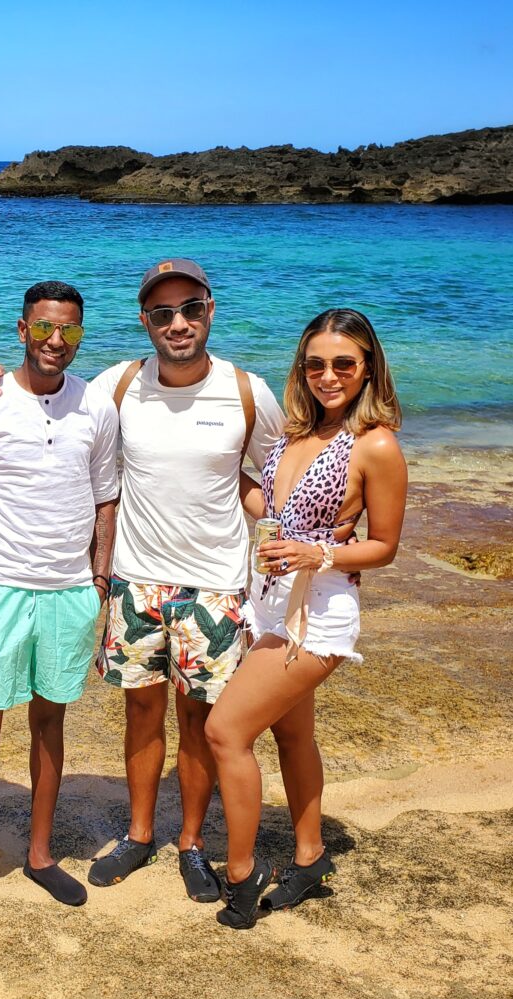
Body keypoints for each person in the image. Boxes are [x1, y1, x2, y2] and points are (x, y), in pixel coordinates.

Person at [0, 259, 286, 902]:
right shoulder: (116, 386)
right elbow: (49, 408)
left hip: (217, 583)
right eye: (163, 313)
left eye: (190, 308)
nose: (178, 323)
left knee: (199, 721)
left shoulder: (249, 392)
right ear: (145, 321)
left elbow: (270, 481)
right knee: (141, 713)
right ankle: (141, 834)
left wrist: (303, 537)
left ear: (210, 310)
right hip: (135, 580)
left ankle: (191, 842)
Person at [205, 308, 406, 929]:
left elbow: (385, 546)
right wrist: (207, 468)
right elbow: (276, 508)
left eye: (343, 363)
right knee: (292, 736)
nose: (328, 376)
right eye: (315, 363)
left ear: (367, 366)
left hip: (317, 613)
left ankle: (241, 877)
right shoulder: (295, 434)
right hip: (267, 600)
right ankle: (311, 856)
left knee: (225, 733)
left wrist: (317, 552)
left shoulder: (376, 444)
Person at [0, 281, 119, 920]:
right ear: (22, 330)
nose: (55, 342)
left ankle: (40, 855)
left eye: (69, 331)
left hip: (69, 592)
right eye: (44, 328)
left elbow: (105, 499)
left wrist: (98, 586)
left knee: (51, 725)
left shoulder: (96, 405)